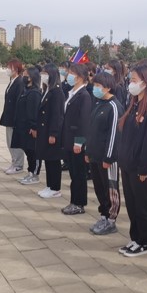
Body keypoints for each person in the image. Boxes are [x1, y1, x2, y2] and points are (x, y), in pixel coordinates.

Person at [117, 63, 147, 256]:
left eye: (134, 80)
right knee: (132, 204)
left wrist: (145, 169)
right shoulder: (134, 105)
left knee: (143, 205)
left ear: (145, 82)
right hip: (128, 165)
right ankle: (135, 237)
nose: (131, 84)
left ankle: (144, 241)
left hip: (140, 168)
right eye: (131, 80)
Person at [83, 72, 124, 235]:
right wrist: (88, 151)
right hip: (95, 155)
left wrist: (108, 157)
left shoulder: (114, 106)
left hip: (107, 158)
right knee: (99, 187)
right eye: (94, 85)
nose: (95, 88)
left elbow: (114, 134)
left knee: (110, 188)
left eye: (98, 86)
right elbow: (91, 129)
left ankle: (111, 220)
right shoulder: (99, 103)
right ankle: (103, 215)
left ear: (108, 87)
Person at [61, 63, 94, 214]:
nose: (69, 76)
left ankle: (79, 203)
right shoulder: (72, 92)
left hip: (77, 142)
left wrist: (79, 143)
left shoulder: (84, 96)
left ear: (80, 77)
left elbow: (84, 122)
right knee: (73, 174)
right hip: (69, 140)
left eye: (72, 73)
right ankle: (73, 201)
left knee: (79, 175)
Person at [34, 64, 65, 199]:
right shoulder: (47, 90)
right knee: (47, 159)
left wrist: (53, 134)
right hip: (44, 131)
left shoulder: (57, 92)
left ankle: (55, 188)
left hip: (51, 132)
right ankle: (49, 185)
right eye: (42, 73)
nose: (43, 76)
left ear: (52, 74)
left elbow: (57, 116)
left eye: (45, 73)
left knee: (53, 161)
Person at [14, 67, 43, 185]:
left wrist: (34, 127)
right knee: (28, 151)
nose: (23, 77)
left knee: (33, 152)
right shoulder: (26, 90)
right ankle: (30, 172)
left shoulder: (34, 93)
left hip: (30, 128)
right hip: (23, 127)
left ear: (31, 78)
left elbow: (34, 112)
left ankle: (35, 174)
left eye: (26, 75)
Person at [0, 58, 26, 175]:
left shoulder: (20, 82)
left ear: (15, 69)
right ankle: (14, 162)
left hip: (15, 119)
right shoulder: (12, 81)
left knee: (15, 143)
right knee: (10, 142)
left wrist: (17, 119)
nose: (7, 70)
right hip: (9, 117)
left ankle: (18, 165)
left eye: (9, 67)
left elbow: (19, 102)